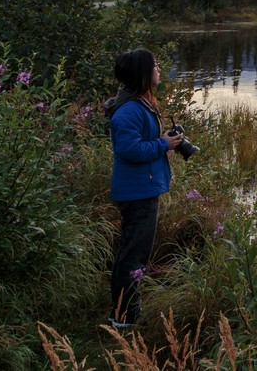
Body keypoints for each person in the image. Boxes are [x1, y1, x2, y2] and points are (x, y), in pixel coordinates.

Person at [104, 48, 182, 329]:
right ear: (143, 73)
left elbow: (140, 144)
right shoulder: (130, 110)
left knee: (133, 253)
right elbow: (127, 149)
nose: (159, 70)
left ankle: (126, 312)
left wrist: (165, 143)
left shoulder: (141, 104)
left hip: (143, 188)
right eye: (155, 66)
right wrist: (162, 145)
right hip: (137, 191)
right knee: (132, 255)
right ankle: (123, 317)